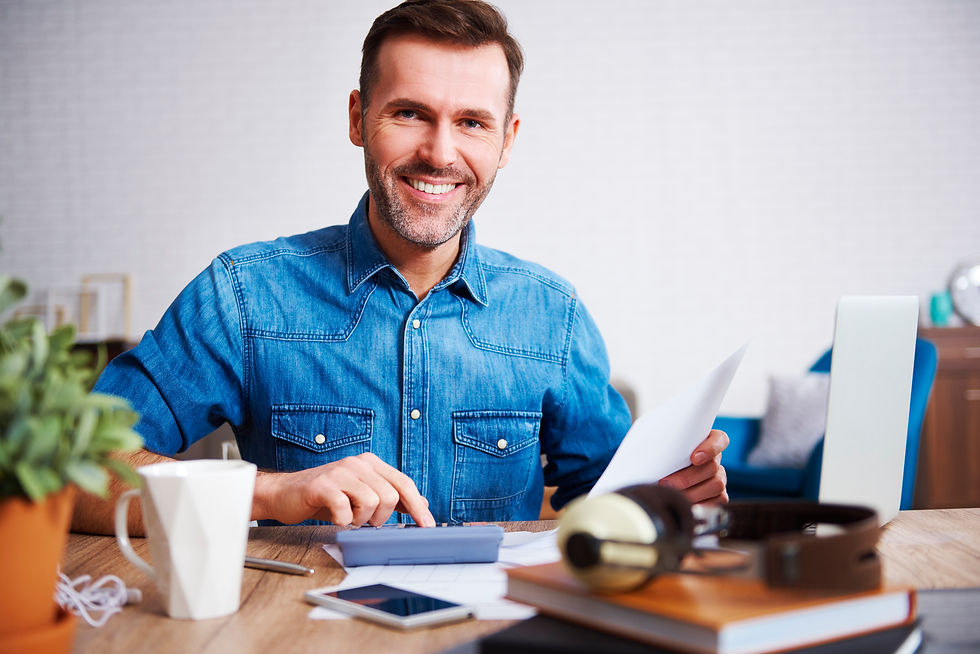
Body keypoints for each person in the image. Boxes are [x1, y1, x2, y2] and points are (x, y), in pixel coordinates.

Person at [72, 0, 728, 535]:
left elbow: (616, 510)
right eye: (409, 113)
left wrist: (675, 498)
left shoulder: (552, 315)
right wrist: (273, 492)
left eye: (472, 122)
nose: (439, 153)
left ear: (507, 143)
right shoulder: (244, 294)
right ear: (359, 118)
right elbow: (75, 475)